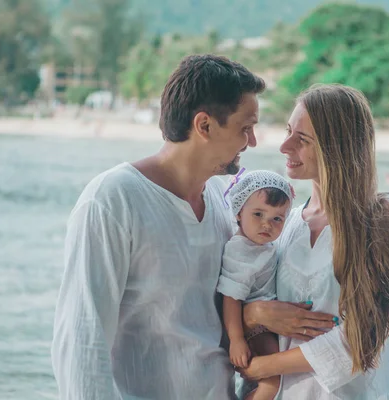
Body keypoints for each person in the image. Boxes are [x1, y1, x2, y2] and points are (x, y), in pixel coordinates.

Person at [51, 54, 266, 400]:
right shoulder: (113, 199)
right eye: (245, 127)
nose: (252, 141)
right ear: (205, 126)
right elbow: (82, 338)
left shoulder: (223, 200)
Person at [239, 84, 389, 399]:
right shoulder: (281, 225)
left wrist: (262, 367)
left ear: (337, 147)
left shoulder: (386, 218)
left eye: (302, 139)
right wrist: (253, 314)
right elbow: (243, 296)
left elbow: (362, 339)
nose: (285, 146)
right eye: (288, 131)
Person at [217, 169, 294, 400]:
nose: (266, 225)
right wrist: (237, 340)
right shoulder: (241, 250)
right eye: (258, 214)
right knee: (273, 383)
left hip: (264, 325)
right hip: (254, 330)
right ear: (239, 212)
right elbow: (231, 298)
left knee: (264, 382)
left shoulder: (259, 245)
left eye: (277, 219)